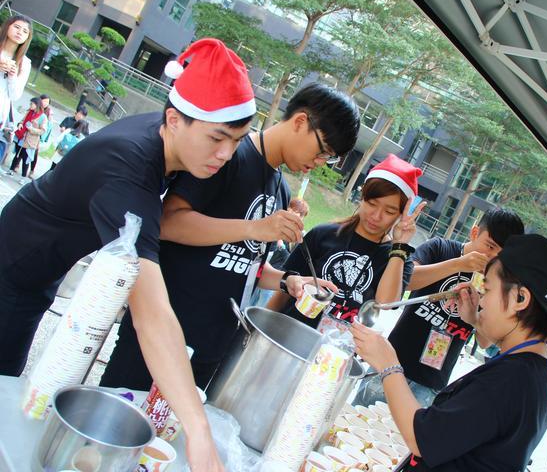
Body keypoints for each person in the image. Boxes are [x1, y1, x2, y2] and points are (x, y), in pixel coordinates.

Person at [0, 38, 256, 472]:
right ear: (174, 119)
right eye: (217, 138)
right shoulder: (128, 168)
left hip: (42, 270)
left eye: (237, 140)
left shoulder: (166, 143)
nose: (226, 154)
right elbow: (151, 314)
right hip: (12, 270)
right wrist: (197, 429)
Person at [100, 82, 360, 390]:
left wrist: (288, 281)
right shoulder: (228, 156)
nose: (319, 163)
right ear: (301, 122)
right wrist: (254, 227)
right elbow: (168, 221)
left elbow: (246, 262)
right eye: (323, 152)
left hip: (211, 347)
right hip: (161, 333)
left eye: (328, 158)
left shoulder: (280, 189)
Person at [352, 233, 547, 471]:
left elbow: (422, 439)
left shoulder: (508, 381)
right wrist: (475, 320)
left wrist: (389, 364)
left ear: (520, 298)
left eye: (487, 290)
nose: (482, 301)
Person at [355, 208, 525, 406]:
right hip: (390, 362)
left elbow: (485, 342)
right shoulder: (440, 248)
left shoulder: (495, 283)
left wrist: (480, 309)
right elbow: (406, 281)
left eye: (501, 254)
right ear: (474, 233)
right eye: (490, 246)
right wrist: (458, 265)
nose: (493, 256)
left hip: (430, 385)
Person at [267, 154, 425, 334]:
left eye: (389, 211)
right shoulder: (323, 234)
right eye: (372, 203)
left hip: (335, 348)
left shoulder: (398, 258)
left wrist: (400, 246)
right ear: (362, 197)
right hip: (288, 333)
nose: (376, 216)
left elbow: (385, 302)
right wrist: (259, 327)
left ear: (401, 214)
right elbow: (284, 288)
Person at [0, 16, 32, 142]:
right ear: (7, 27)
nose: (20, 32)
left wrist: (12, 76)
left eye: (25, 31)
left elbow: (15, 96)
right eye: (17, 27)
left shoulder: (25, 63)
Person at [7, 96, 47, 181]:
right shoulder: (29, 112)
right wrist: (20, 124)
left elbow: (43, 130)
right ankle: (11, 170)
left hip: (30, 140)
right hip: (21, 137)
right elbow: (22, 121)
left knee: (26, 158)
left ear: (37, 105)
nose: (30, 105)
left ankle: (23, 177)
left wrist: (32, 129)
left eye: (32, 104)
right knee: (17, 155)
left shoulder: (43, 117)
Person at [28, 94, 53, 177]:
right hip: (29, 132)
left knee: (34, 152)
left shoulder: (48, 112)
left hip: (39, 135)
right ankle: (16, 165)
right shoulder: (35, 107)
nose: (45, 103)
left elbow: (49, 127)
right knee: (23, 149)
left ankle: (32, 170)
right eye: (44, 101)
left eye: (47, 102)